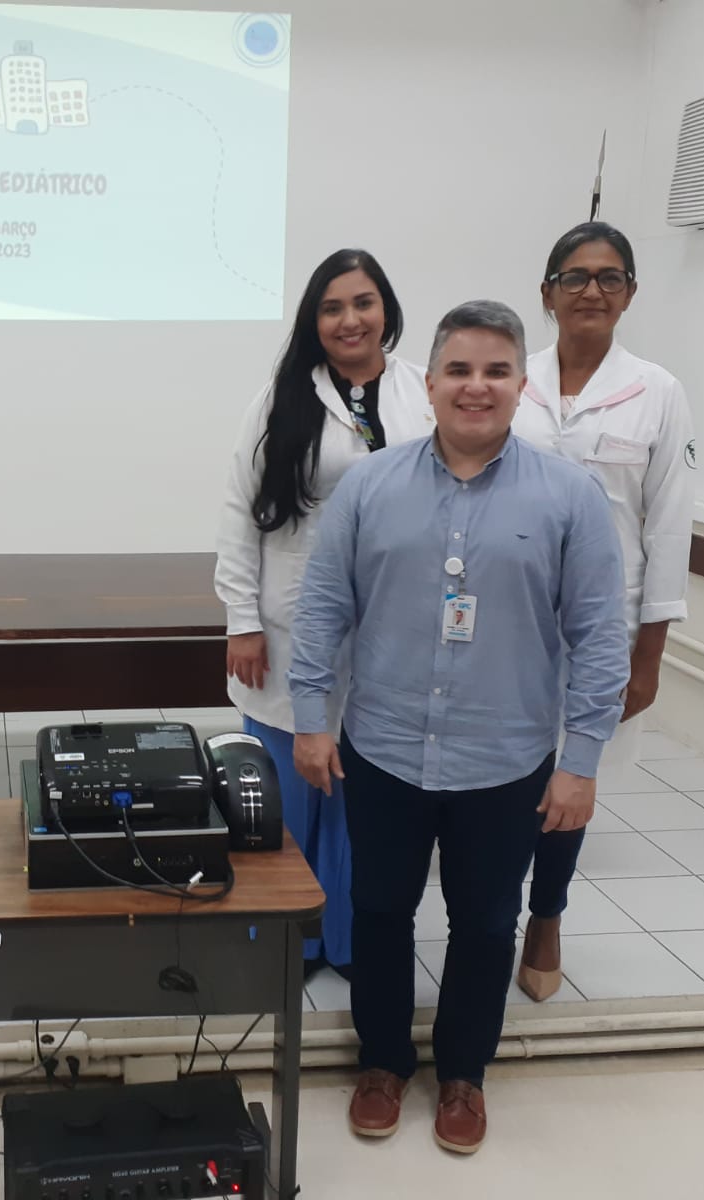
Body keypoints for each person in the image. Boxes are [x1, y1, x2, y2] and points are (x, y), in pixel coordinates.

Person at [289, 301, 629, 1154]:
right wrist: (309, 721)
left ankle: (465, 1074)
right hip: (386, 746)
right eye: (459, 370)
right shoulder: (369, 485)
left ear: (523, 384)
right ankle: (380, 1062)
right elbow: (324, 609)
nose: (477, 387)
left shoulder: (569, 497)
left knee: (484, 923)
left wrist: (579, 760)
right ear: (429, 382)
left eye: (497, 371)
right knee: (379, 911)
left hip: (506, 758)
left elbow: (598, 638)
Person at [214, 249, 433, 978]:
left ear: (387, 311)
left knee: (362, 799)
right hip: (290, 628)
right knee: (285, 798)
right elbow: (240, 514)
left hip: (391, 630)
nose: (350, 320)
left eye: (364, 303)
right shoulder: (281, 398)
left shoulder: (422, 394)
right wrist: (241, 619)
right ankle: (286, 939)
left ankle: (345, 942)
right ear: (315, 320)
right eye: (333, 307)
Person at [512, 222, 696, 1002]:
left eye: (610, 277)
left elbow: (669, 526)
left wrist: (648, 656)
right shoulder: (506, 380)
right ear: (546, 292)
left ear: (629, 294)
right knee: (501, 779)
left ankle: (545, 915)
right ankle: (487, 909)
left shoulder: (657, 393)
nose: (592, 290)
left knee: (570, 779)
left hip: (601, 629)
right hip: (501, 623)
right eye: (576, 276)